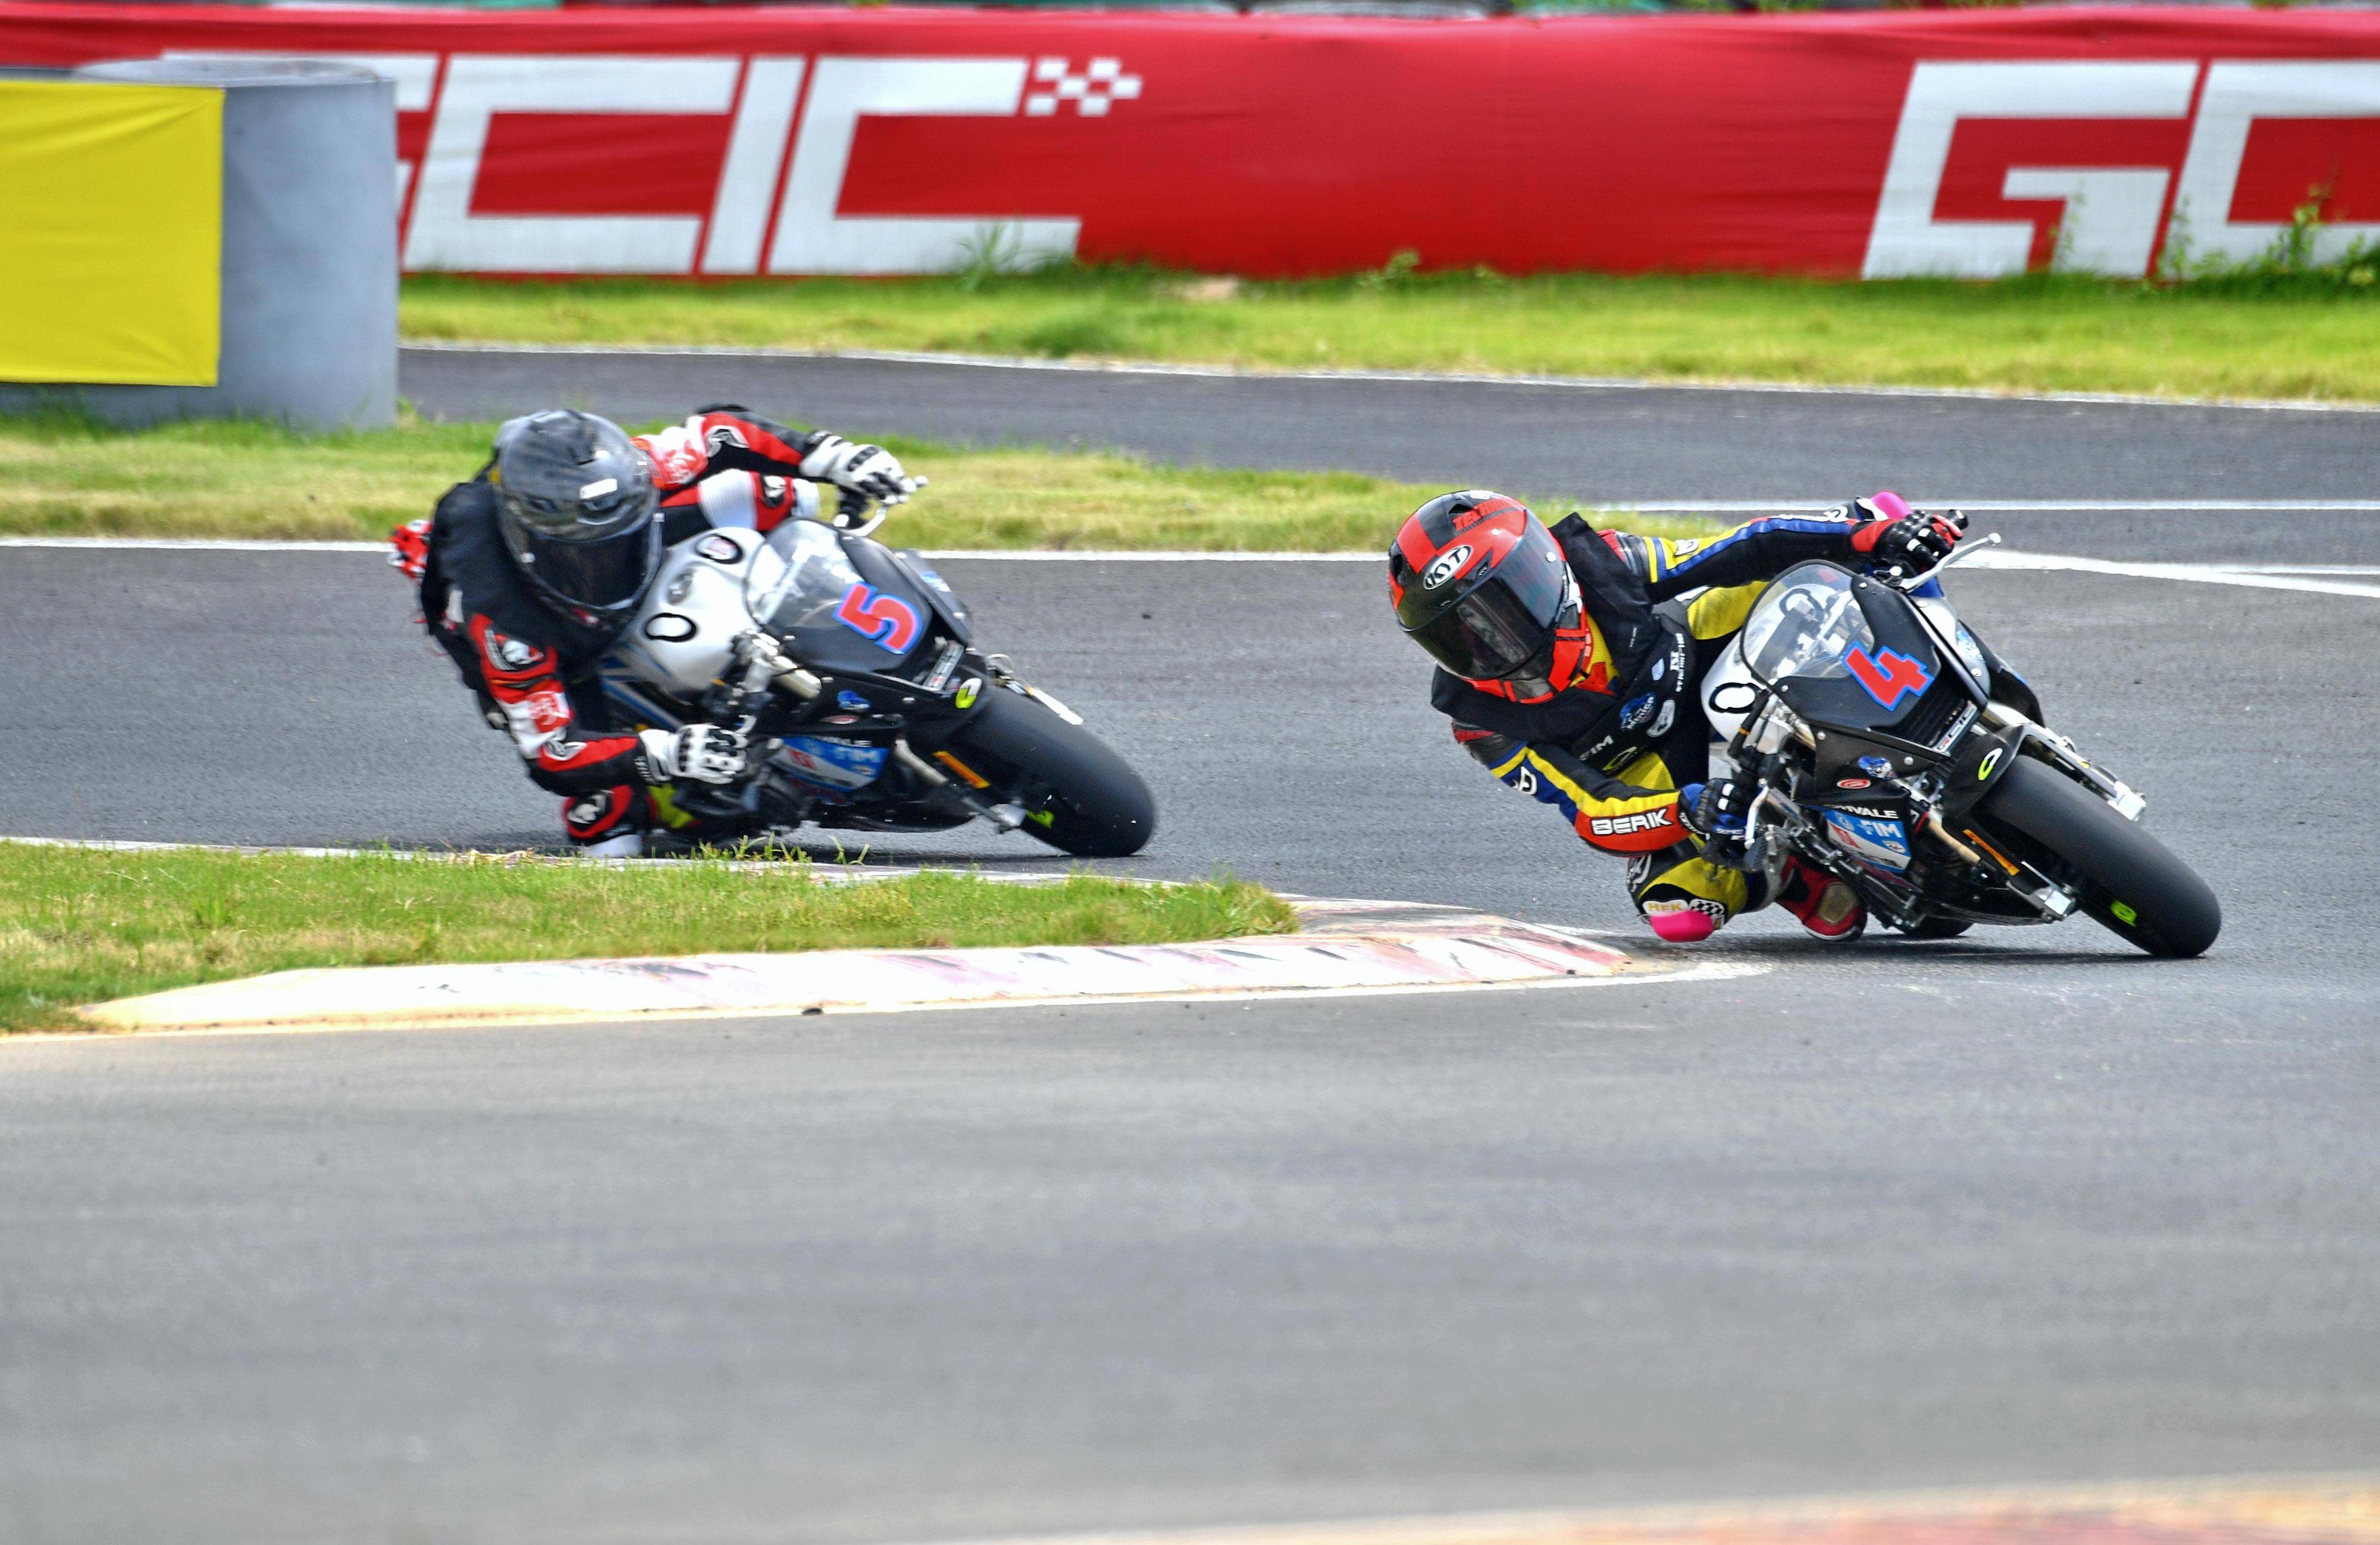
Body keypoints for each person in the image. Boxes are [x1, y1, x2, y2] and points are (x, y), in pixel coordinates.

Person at [1388, 489, 1963, 943]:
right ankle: (1788, 867)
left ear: (1548, 564)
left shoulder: (1604, 560)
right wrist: (1686, 809)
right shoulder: (1482, 721)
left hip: (1691, 651)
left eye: (1509, 601)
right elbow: (1591, 809)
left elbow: (1739, 548)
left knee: (1873, 523)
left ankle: (1934, 643)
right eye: (1462, 631)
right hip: (1649, 763)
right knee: (1678, 912)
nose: (1495, 637)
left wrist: (1870, 537)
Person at [388, 406, 917, 856]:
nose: (607, 564)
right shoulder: (504, 629)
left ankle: (849, 616)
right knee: (608, 834)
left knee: (781, 494)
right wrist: (667, 753)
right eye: (586, 556)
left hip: (642, 539)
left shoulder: (631, 471)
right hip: (565, 646)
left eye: (617, 539)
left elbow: (719, 434)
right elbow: (552, 753)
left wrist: (830, 455)